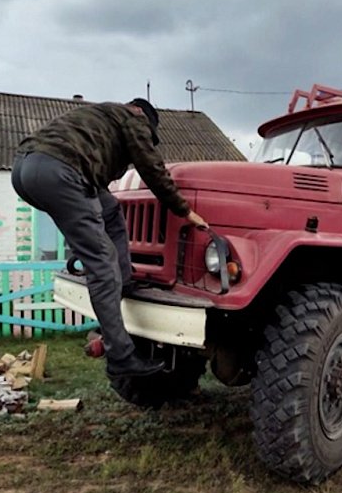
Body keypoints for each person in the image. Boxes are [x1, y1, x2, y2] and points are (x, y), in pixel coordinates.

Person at [11, 97, 207, 378]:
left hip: (25, 168)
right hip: (59, 171)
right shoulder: (135, 117)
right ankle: (121, 356)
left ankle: (123, 280)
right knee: (102, 266)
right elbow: (151, 167)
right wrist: (183, 209)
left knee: (110, 209)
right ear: (146, 120)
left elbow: (96, 174)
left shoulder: (103, 114)